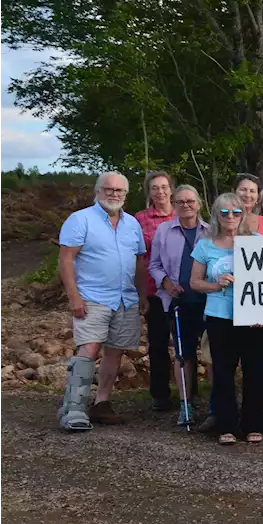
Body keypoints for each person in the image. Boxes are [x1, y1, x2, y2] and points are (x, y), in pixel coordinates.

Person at [55, 172, 149, 431]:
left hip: (125, 298)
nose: (114, 194)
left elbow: (138, 262)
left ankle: (102, 403)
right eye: (108, 189)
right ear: (98, 191)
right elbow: (66, 260)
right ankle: (74, 408)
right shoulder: (80, 220)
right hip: (92, 297)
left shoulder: (132, 224)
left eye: (119, 191)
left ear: (125, 195)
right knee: (89, 348)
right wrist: (74, 296)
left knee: (115, 351)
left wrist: (142, 295)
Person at [190, 193, 263, 446]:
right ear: (216, 215)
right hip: (219, 317)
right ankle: (227, 425)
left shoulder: (257, 241)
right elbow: (194, 283)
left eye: (236, 212)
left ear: (243, 214)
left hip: (253, 316)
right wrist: (216, 285)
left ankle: (253, 425)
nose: (231, 217)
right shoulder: (205, 245)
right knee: (223, 372)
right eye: (224, 212)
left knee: (255, 372)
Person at [148, 186, 210, 424]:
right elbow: (153, 265)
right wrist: (165, 283)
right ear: (174, 204)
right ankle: (186, 405)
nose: (186, 205)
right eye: (181, 202)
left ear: (199, 204)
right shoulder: (163, 231)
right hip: (178, 302)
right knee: (183, 355)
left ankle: (217, 403)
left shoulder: (210, 230)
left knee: (212, 354)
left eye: (190, 201)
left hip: (208, 302)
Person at [135, 171, 176, 412]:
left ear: (171, 189)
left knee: (186, 343)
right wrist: (141, 295)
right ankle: (160, 394)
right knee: (158, 344)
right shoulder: (140, 219)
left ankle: (187, 393)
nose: (160, 192)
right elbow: (138, 259)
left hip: (183, 290)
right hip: (154, 290)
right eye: (154, 188)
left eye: (164, 187)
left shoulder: (183, 213)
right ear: (149, 192)